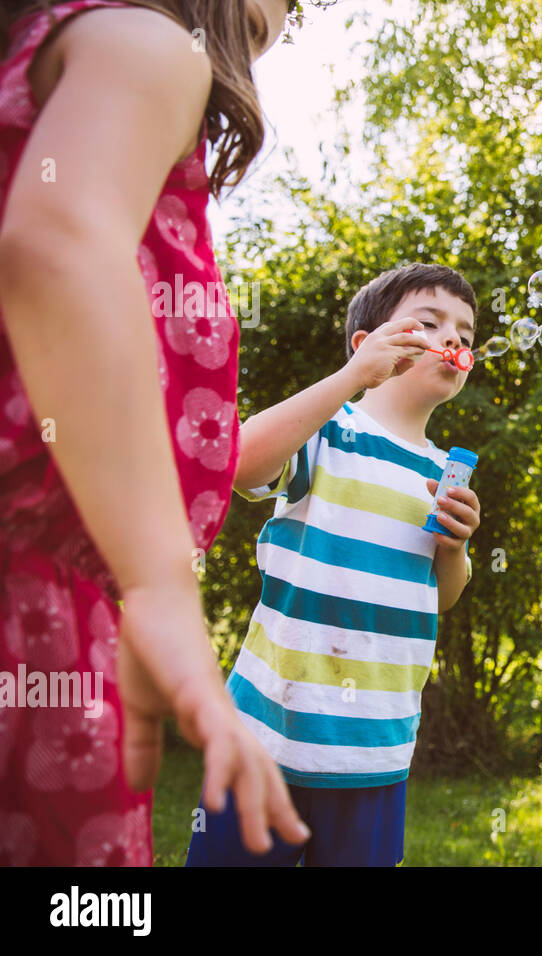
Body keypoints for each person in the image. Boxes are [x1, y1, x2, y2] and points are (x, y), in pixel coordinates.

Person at [0, 0, 310, 865]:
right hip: (37, 603)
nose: (288, 14)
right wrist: (163, 588)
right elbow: (58, 243)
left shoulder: (53, 57)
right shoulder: (151, 46)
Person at [186, 262, 481, 866]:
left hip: (374, 749)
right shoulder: (329, 434)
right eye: (430, 322)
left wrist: (454, 549)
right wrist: (349, 380)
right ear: (365, 344)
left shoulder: (443, 475)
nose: (454, 339)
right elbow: (238, 464)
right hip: (265, 735)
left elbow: (442, 595)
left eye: (466, 334)